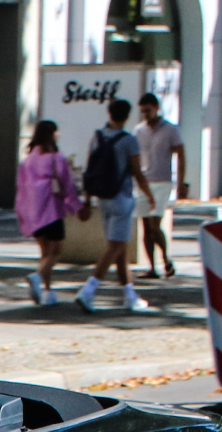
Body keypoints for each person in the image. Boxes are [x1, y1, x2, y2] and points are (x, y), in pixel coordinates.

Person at [74, 98, 153, 314]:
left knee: (120, 248)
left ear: (109, 113)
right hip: (122, 196)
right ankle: (89, 290)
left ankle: (129, 294)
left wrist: (88, 199)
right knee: (116, 247)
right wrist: (149, 195)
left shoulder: (97, 137)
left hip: (103, 197)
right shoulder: (129, 141)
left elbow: (90, 168)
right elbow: (137, 172)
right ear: (127, 116)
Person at [14, 119, 83, 307]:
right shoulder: (56, 156)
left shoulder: (28, 160)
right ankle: (37, 278)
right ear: (53, 134)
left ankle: (47, 290)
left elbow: (20, 188)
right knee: (56, 251)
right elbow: (66, 183)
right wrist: (77, 206)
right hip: (52, 208)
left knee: (45, 252)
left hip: (32, 211)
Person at [134, 91, 186, 280]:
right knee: (146, 226)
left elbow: (181, 154)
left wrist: (180, 181)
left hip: (162, 181)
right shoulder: (139, 131)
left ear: (156, 108)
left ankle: (166, 259)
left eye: (148, 110)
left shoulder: (170, 129)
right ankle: (152, 267)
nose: (146, 115)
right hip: (143, 182)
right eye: (143, 111)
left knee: (155, 224)